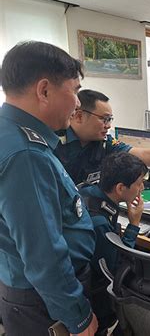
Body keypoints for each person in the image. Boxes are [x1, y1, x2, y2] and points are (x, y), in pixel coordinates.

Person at [0, 42, 98, 335]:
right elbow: (43, 254)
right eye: (75, 90)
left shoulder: (9, 135)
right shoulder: (25, 155)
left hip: (24, 286)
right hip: (43, 301)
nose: (78, 103)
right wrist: (77, 316)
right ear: (44, 90)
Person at [54, 89, 150, 185]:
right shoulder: (54, 142)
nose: (108, 125)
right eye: (104, 119)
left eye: (110, 119)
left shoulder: (104, 142)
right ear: (80, 116)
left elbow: (144, 155)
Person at [80, 151, 147, 335]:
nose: (142, 187)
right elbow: (115, 268)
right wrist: (134, 225)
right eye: (139, 183)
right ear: (120, 188)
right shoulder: (99, 224)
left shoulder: (88, 191)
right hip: (95, 297)